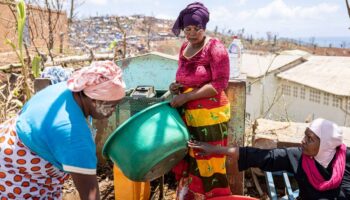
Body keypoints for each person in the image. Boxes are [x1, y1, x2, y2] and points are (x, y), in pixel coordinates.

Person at [0, 61, 125, 199]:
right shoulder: (73, 134)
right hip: (17, 175)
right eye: (111, 105)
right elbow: (90, 194)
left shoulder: (66, 91)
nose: (113, 111)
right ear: (93, 100)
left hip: (11, 144)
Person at [189, 118, 350, 199]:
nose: (303, 141)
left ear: (326, 144)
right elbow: (258, 156)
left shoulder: (346, 160)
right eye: (305, 136)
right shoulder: (298, 156)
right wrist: (215, 149)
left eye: (310, 139)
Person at [169, 2, 231, 199]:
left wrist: (188, 96)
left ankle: (213, 197)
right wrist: (176, 87)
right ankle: (189, 195)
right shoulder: (184, 48)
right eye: (188, 28)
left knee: (209, 161)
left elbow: (220, 83)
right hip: (188, 115)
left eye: (198, 28)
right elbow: (183, 76)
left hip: (210, 117)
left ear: (204, 27)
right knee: (188, 159)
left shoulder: (215, 47)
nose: (192, 33)